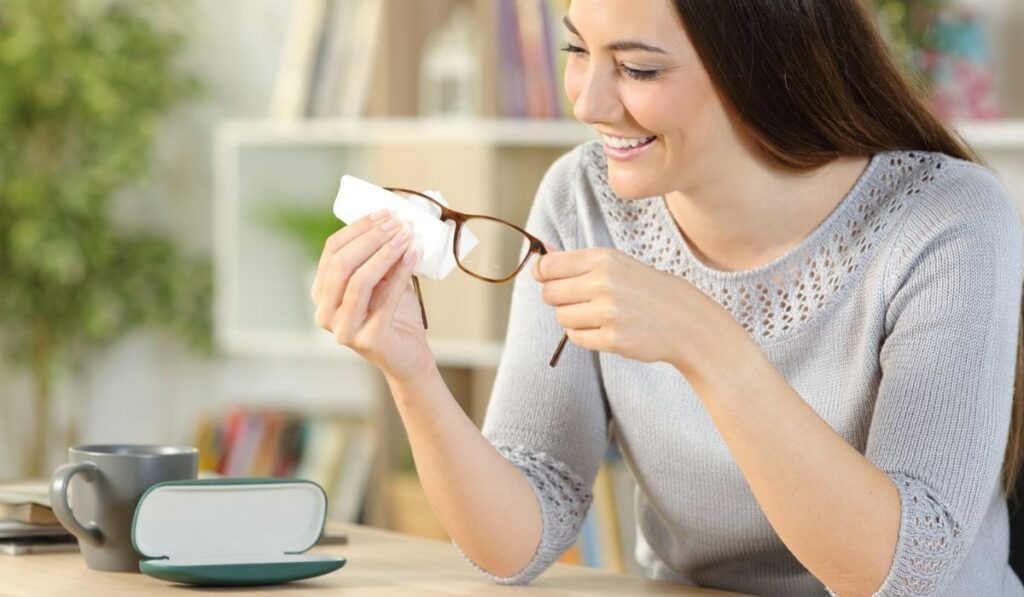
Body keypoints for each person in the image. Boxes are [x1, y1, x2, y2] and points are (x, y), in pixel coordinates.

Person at [309, 0, 1024, 594]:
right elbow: (515, 542)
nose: (588, 101)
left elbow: (906, 571)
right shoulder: (581, 197)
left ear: (764, 56)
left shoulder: (946, 218)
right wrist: (412, 375)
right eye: (576, 48)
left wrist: (703, 341)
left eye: (638, 67)